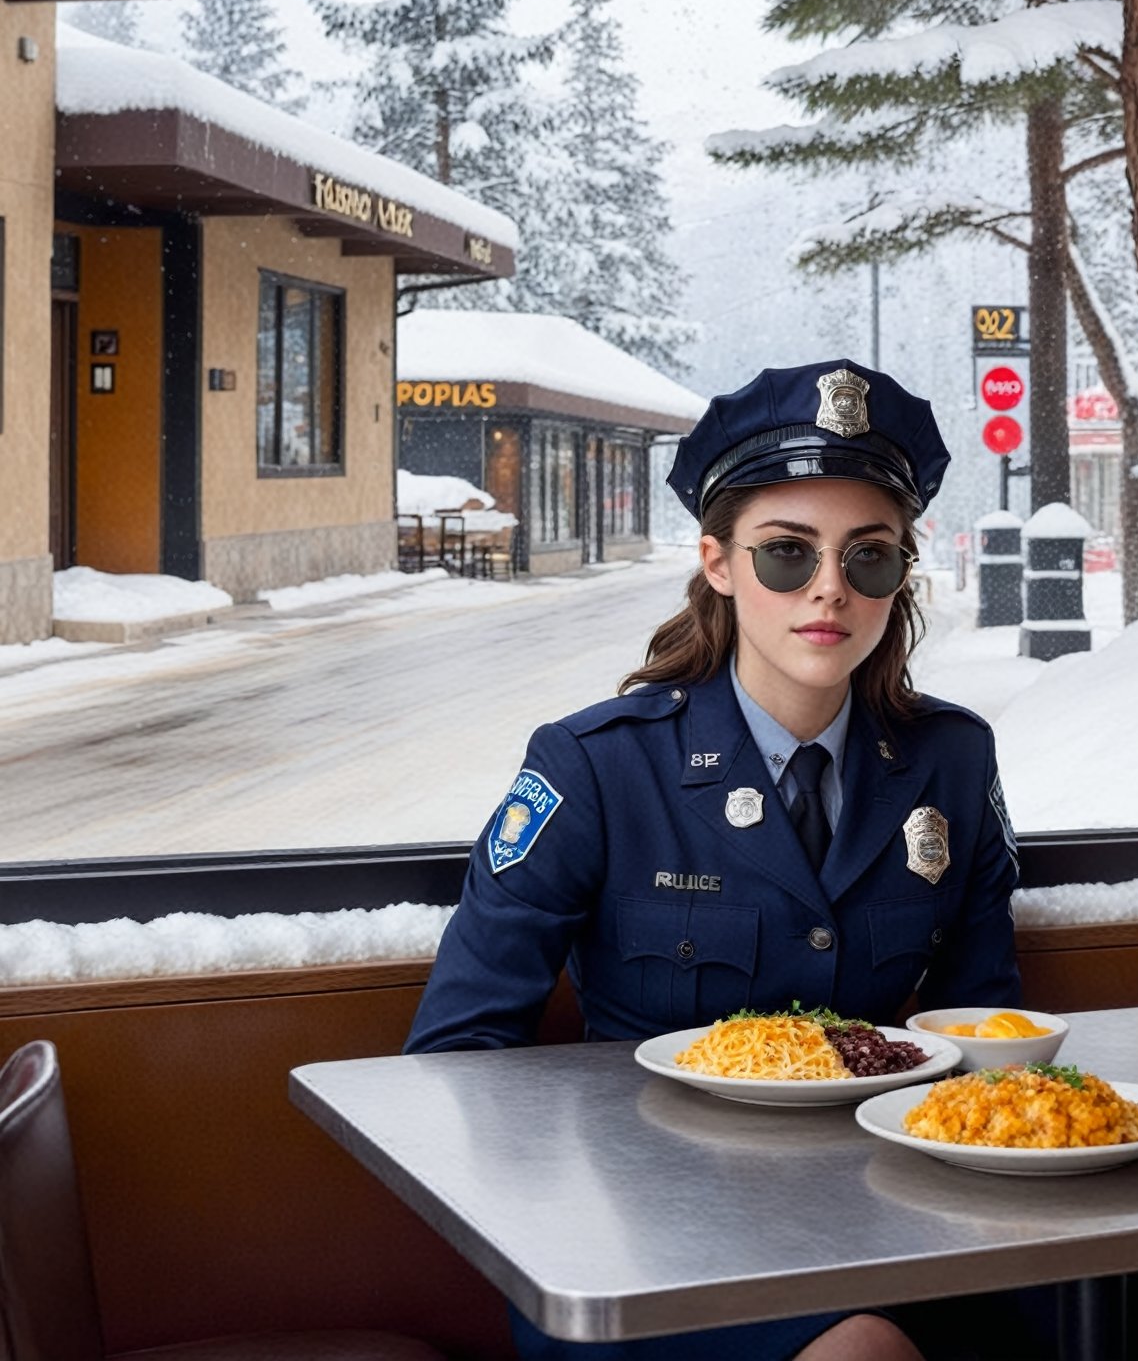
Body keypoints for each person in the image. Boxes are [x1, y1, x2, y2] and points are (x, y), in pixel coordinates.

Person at [406, 359, 1029, 1361]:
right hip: (647, 1250)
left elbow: (978, 1025)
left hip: (900, 1228)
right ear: (718, 562)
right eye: (787, 554)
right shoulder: (598, 768)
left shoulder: (951, 762)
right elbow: (455, 1059)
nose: (830, 588)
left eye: (869, 558)